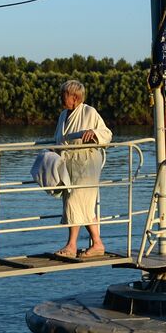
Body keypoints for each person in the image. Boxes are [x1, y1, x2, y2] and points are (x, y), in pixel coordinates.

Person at [53, 80, 112, 258]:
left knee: (75, 201)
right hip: (69, 165)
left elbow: (107, 133)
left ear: (75, 97)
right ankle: (97, 243)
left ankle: (72, 245)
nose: (60, 98)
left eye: (63, 95)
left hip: (86, 165)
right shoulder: (64, 115)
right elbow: (59, 139)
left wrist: (94, 133)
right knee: (82, 205)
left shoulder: (89, 112)